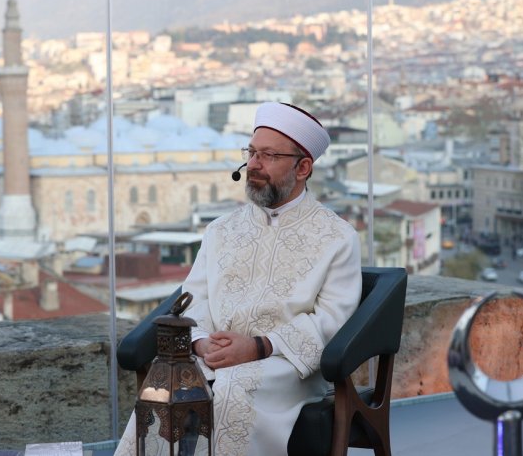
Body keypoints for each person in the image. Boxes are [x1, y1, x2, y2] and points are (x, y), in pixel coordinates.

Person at [114, 102, 362, 456]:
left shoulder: (338, 237)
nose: (254, 165)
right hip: (210, 357)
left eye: (268, 156)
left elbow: (332, 320)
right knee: (166, 383)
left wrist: (258, 346)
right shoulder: (221, 230)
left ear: (303, 167)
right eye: (251, 153)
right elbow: (193, 298)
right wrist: (199, 343)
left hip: (285, 367)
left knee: (234, 385)